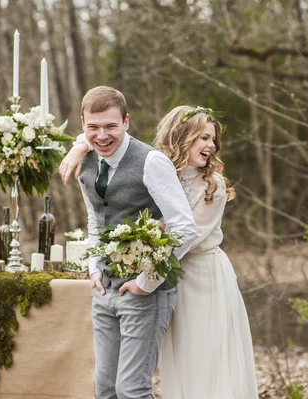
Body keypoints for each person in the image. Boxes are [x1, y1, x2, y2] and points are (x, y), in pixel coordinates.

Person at [60, 104, 259, 398]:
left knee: (205, 356)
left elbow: (189, 232)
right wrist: (79, 145)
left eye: (213, 139)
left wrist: (150, 245)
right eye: (203, 137)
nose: (212, 145)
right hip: (169, 275)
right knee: (174, 359)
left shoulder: (212, 185)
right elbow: (107, 131)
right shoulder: (161, 167)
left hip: (202, 276)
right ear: (182, 136)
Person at [65, 86, 196, 399]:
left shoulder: (152, 162)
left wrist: (146, 282)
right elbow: (96, 218)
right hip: (104, 290)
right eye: (92, 128)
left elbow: (184, 227)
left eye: (111, 126)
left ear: (126, 121)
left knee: (131, 391)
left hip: (145, 294)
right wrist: (94, 268)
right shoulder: (85, 161)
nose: (102, 136)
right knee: (106, 389)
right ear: (82, 125)